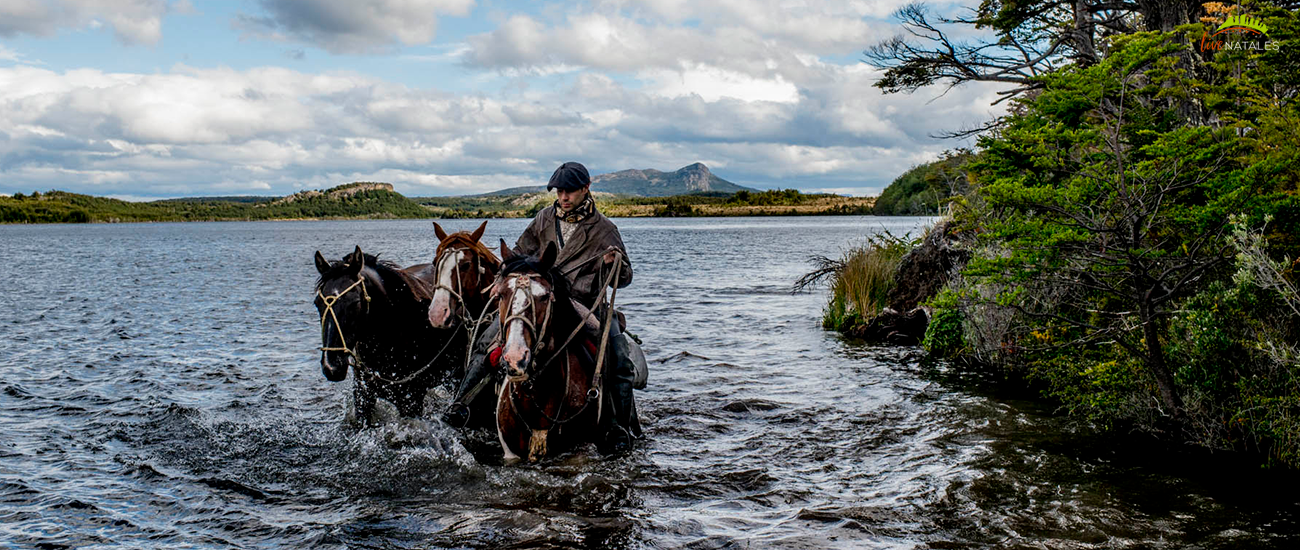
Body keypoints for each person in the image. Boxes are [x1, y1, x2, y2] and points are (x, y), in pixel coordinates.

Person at [442, 161, 642, 453]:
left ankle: (618, 427)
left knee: (618, 355)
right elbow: (518, 255)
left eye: (570, 191)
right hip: (538, 298)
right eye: (560, 191)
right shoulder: (543, 219)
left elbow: (625, 278)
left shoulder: (604, 229)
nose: (564, 197)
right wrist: (502, 279)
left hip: (583, 302)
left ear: (586, 189)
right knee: (488, 340)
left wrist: (615, 263)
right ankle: (462, 406)